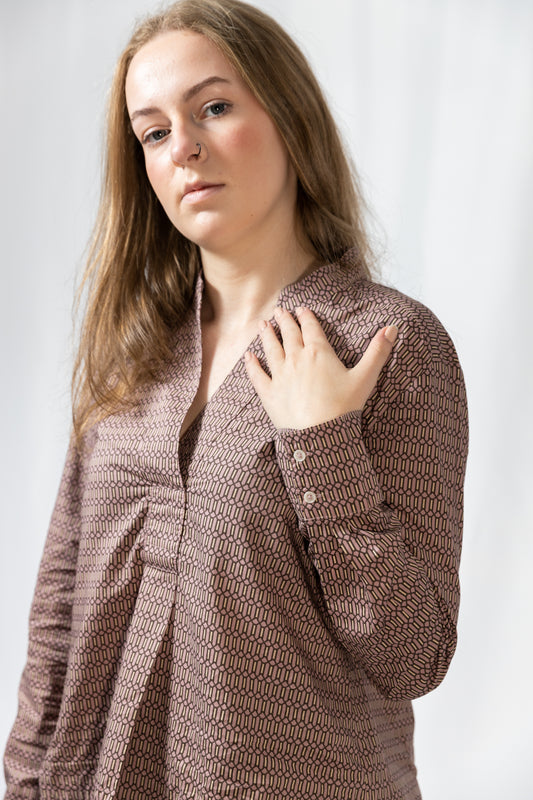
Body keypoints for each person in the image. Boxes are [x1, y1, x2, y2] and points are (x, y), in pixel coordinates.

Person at [3, 0, 468, 798]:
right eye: (152, 132)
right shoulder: (135, 354)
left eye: (213, 108)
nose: (182, 147)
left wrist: (322, 445)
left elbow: (413, 653)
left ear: (287, 115)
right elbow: (57, 620)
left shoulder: (389, 343)